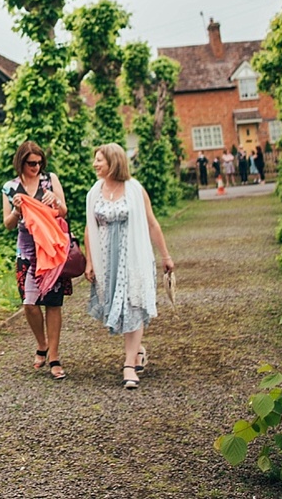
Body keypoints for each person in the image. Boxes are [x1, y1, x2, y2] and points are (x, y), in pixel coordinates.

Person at [85, 142, 174, 389]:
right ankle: (138, 349)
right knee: (118, 308)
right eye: (95, 160)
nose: (95, 164)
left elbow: (152, 224)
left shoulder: (134, 189)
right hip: (107, 260)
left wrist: (166, 256)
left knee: (132, 305)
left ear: (114, 161)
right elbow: (88, 227)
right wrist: (90, 261)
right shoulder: (94, 192)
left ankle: (129, 364)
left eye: (99, 160)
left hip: (133, 257)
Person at [1, 142, 73, 379]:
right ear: (21, 162)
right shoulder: (10, 187)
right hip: (26, 250)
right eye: (32, 163)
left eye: (40, 162)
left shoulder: (49, 180)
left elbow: (64, 211)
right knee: (29, 303)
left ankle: (54, 356)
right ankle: (41, 343)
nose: (37, 167)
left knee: (53, 303)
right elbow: (8, 224)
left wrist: (56, 202)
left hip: (50, 249)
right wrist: (16, 211)